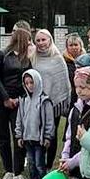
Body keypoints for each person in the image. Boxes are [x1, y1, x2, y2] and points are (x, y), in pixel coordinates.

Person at [0, 25, 32, 179]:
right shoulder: (2, 54)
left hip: (18, 101)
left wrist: (18, 98)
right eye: (28, 40)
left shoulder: (26, 58)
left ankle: (18, 172)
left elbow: (27, 79)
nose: (30, 43)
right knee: (2, 136)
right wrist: (6, 98)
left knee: (18, 137)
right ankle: (7, 170)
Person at [33, 28, 72, 169]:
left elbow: (63, 82)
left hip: (53, 103)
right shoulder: (33, 57)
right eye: (38, 40)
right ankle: (37, 164)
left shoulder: (57, 58)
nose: (41, 43)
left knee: (51, 133)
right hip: (36, 103)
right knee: (36, 133)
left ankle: (48, 165)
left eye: (44, 39)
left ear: (50, 40)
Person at [14, 68, 55, 179]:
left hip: (39, 139)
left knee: (39, 164)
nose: (29, 86)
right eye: (26, 83)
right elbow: (19, 118)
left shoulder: (44, 100)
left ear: (37, 82)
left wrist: (48, 136)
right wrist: (19, 135)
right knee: (31, 164)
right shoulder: (23, 100)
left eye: (32, 83)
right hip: (27, 138)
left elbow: (49, 121)